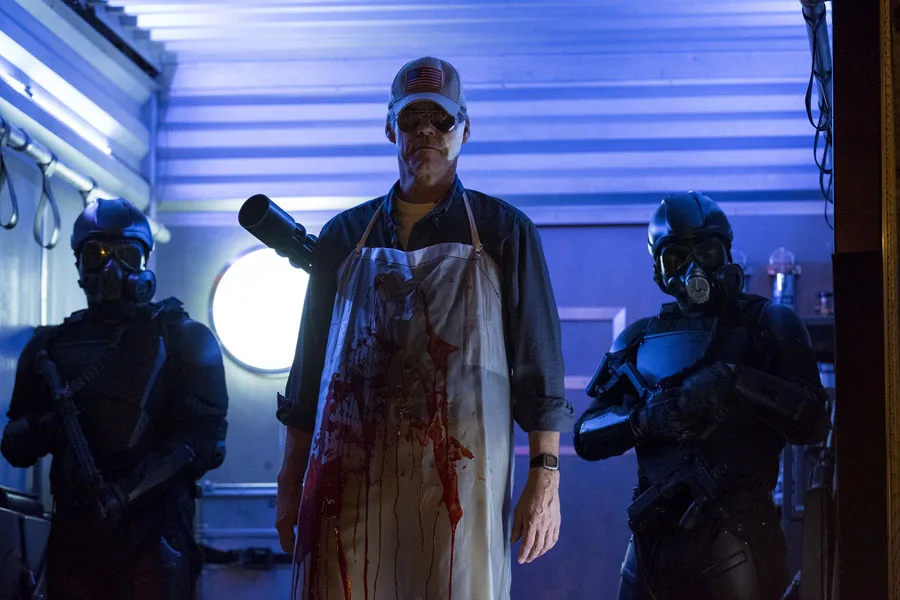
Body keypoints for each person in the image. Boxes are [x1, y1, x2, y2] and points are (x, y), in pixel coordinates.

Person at [274, 56, 573, 600]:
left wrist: (545, 476)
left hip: (461, 478)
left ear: (465, 129)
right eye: (412, 119)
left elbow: (539, 365)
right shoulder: (344, 235)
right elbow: (309, 368)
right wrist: (290, 478)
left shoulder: (505, 232)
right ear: (391, 129)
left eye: (441, 119)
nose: (427, 131)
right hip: (349, 473)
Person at [573, 191, 830, 600]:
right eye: (676, 256)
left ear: (725, 252)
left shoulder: (767, 322)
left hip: (738, 536)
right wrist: (642, 420)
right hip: (649, 549)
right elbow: (586, 433)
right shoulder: (639, 339)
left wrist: (734, 382)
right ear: (659, 270)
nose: (694, 268)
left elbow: (813, 420)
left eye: (706, 250)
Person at [1, 198, 229, 600]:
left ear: (144, 262)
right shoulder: (49, 347)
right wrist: (51, 424)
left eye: (126, 254)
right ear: (79, 264)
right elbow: (14, 445)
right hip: (76, 538)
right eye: (97, 254)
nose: (111, 269)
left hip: (155, 537)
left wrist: (127, 494)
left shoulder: (182, 338)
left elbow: (205, 442)